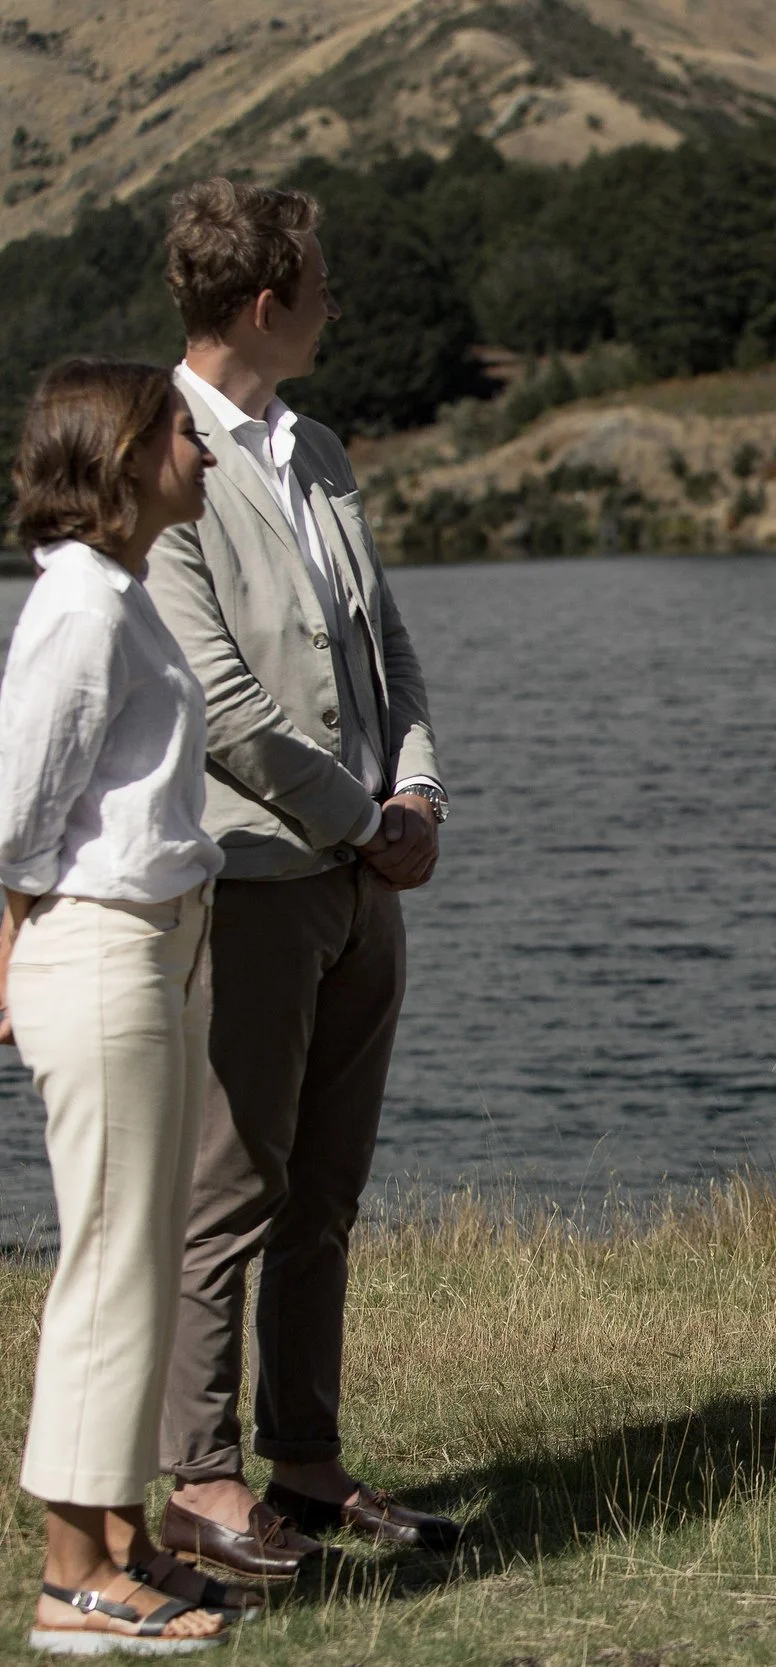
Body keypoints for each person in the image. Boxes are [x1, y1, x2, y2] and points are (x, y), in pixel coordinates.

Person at [143, 177, 460, 1576]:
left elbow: (386, 645)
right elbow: (217, 698)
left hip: (358, 875)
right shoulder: (149, 457)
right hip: (255, 871)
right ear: (266, 301)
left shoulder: (317, 447)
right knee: (231, 1187)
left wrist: (422, 786)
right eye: (321, 280)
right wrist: (357, 822)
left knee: (326, 1188)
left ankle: (310, 1462)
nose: (338, 300)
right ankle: (200, 1479)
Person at [0, 358, 241, 1651]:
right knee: (110, 1260)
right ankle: (70, 1578)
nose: (201, 454)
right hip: (101, 950)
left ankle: (119, 1538)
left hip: (146, 949)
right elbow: (16, 817)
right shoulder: (83, 611)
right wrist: (15, 946)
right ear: (127, 452)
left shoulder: (121, 596)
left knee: (139, 1254)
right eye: (183, 436)